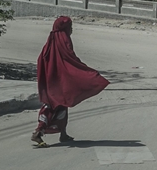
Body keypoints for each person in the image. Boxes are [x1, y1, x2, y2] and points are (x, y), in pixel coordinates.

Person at [31, 16, 110, 147]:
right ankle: (38, 132)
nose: (71, 29)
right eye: (70, 27)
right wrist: (85, 70)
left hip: (50, 79)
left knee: (60, 104)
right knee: (55, 105)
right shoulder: (64, 39)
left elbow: (42, 58)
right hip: (60, 79)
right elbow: (70, 59)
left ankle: (63, 134)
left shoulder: (51, 39)